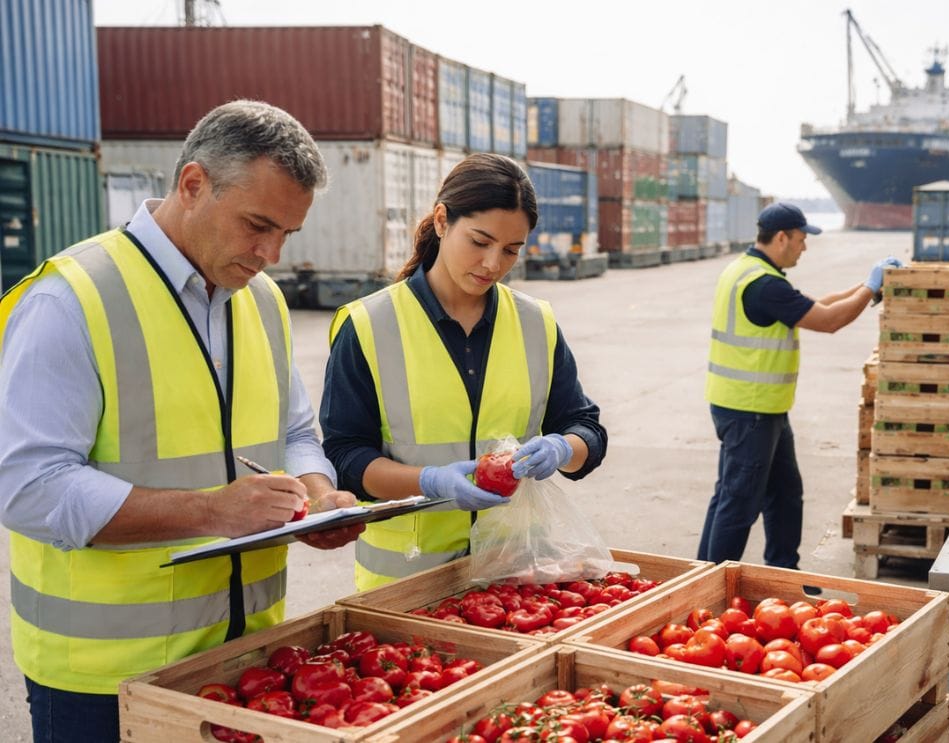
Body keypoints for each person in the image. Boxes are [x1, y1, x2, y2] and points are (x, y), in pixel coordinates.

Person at [0, 100, 364, 742]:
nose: (271, 254)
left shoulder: (264, 301)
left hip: (242, 655)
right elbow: (28, 488)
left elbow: (296, 432)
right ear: (193, 184)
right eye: (258, 224)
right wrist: (212, 512)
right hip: (101, 680)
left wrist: (317, 497)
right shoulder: (71, 299)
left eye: (288, 234)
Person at [321, 153, 607, 589]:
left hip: (515, 577)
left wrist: (564, 449)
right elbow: (344, 457)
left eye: (511, 250)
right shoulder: (368, 325)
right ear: (441, 221)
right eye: (480, 241)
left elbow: (586, 427)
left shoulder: (536, 322)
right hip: (407, 583)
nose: (493, 263)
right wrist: (428, 481)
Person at [698, 202, 902, 568]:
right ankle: (707, 584)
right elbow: (827, 321)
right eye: (801, 239)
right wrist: (872, 287)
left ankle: (783, 573)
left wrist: (868, 285)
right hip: (751, 411)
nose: (804, 247)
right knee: (739, 502)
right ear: (781, 238)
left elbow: (813, 305)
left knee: (784, 495)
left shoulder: (746, 270)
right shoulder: (763, 285)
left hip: (760, 408)